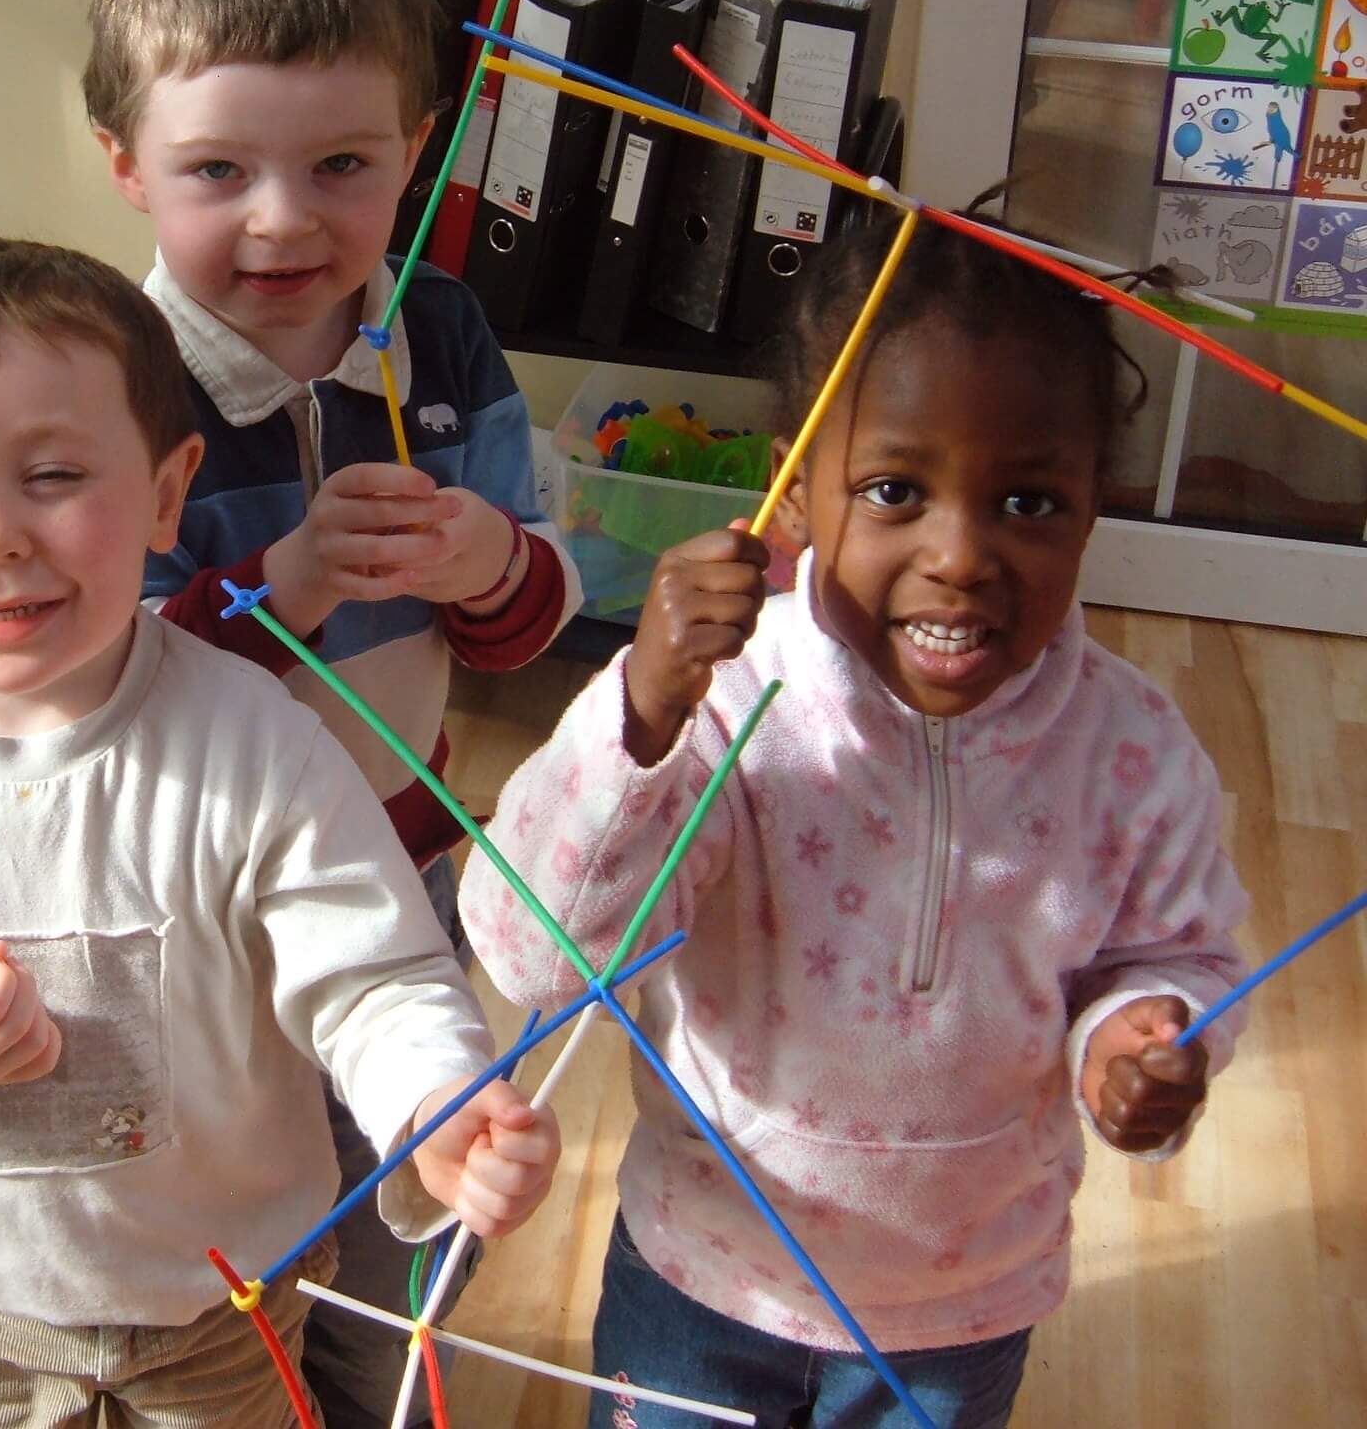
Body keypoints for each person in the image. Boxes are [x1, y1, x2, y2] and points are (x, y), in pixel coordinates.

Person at [0, 235, 561, 1428]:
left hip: (221, 1307)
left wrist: (433, 1098)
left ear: (163, 494)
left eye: (52, 474)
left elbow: (374, 975)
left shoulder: (256, 742)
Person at [460, 215, 1250, 1428]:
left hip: (962, 1309)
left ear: (1097, 504)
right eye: (893, 490)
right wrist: (643, 712)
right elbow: (534, 956)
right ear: (795, 491)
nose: (959, 554)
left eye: (1029, 500)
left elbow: (1183, 956)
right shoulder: (718, 702)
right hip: (701, 1278)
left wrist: (1139, 1034)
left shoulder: (1133, 753)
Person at [85, 0, 582, 1423]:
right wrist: (281, 587)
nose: (285, 219)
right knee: (218, 1245)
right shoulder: (103, 382)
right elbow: (101, 693)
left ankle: (371, 1385)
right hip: (193, 909)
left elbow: (531, 621)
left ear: (416, 152)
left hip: (400, 867)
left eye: (342, 165)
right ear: (125, 163)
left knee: (409, 1207)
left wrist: (486, 556)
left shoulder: (446, 337)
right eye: (217, 169)